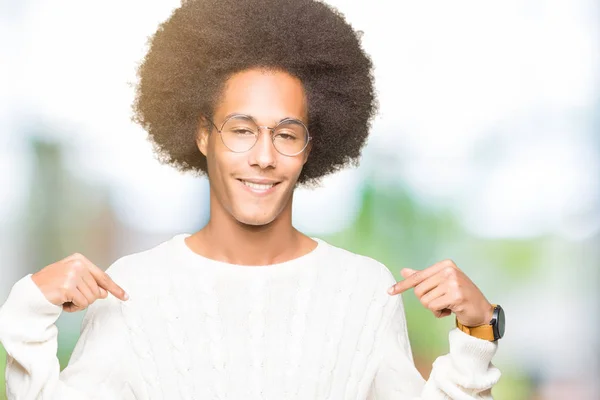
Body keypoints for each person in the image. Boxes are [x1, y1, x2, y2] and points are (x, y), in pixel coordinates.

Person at [0, 0, 504, 398]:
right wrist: (28, 310)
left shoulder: (363, 289)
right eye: (241, 129)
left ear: (311, 146)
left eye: (287, 134)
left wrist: (478, 329)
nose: (264, 156)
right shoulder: (134, 288)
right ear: (203, 135)